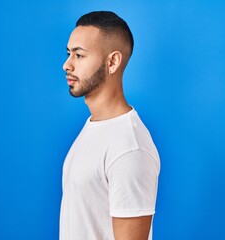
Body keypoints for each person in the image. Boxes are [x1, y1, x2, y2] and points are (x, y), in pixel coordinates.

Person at [60, 11, 160, 240]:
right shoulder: (95, 126)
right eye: (68, 53)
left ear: (112, 61)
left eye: (79, 55)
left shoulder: (129, 148)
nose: (67, 65)